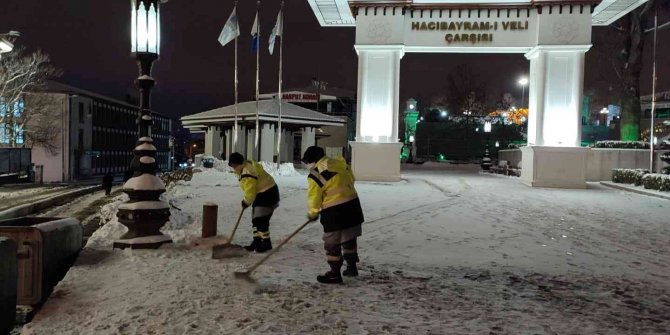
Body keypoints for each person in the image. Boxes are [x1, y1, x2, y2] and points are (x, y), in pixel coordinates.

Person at [302, 146, 364, 284]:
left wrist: (312, 213)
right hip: (353, 205)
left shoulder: (316, 174)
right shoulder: (341, 165)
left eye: (308, 162)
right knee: (349, 237)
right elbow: (351, 180)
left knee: (332, 243)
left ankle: (334, 274)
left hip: (334, 211)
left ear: (313, 160)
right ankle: (352, 267)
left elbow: (314, 197)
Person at [227, 152, 279, 253]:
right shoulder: (245, 167)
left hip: (268, 193)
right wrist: (248, 200)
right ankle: (257, 241)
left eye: (233, 165)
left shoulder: (248, 172)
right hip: (262, 193)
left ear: (238, 163)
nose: (232, 167)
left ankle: (266, 243)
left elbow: (250, 189)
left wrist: (246, 201)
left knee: (260, 220)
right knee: (256, 219)